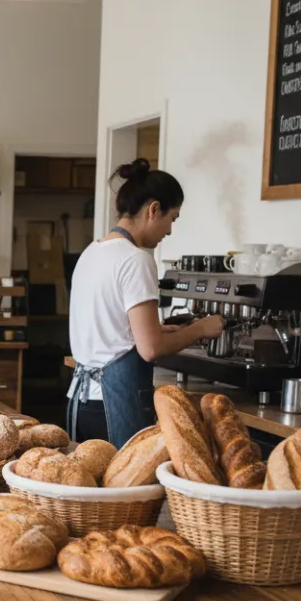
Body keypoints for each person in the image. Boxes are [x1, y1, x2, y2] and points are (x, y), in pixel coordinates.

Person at [66, 159, 224, 447]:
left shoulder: (92, 251)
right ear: (154, 209)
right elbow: (150, 349)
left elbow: (106, 329)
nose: (170, 231)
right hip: (115, 405)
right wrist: (200, 329)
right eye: (172, 218)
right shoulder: (136, 259)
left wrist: (160, 328)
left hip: (81, 403)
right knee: (127, 492)